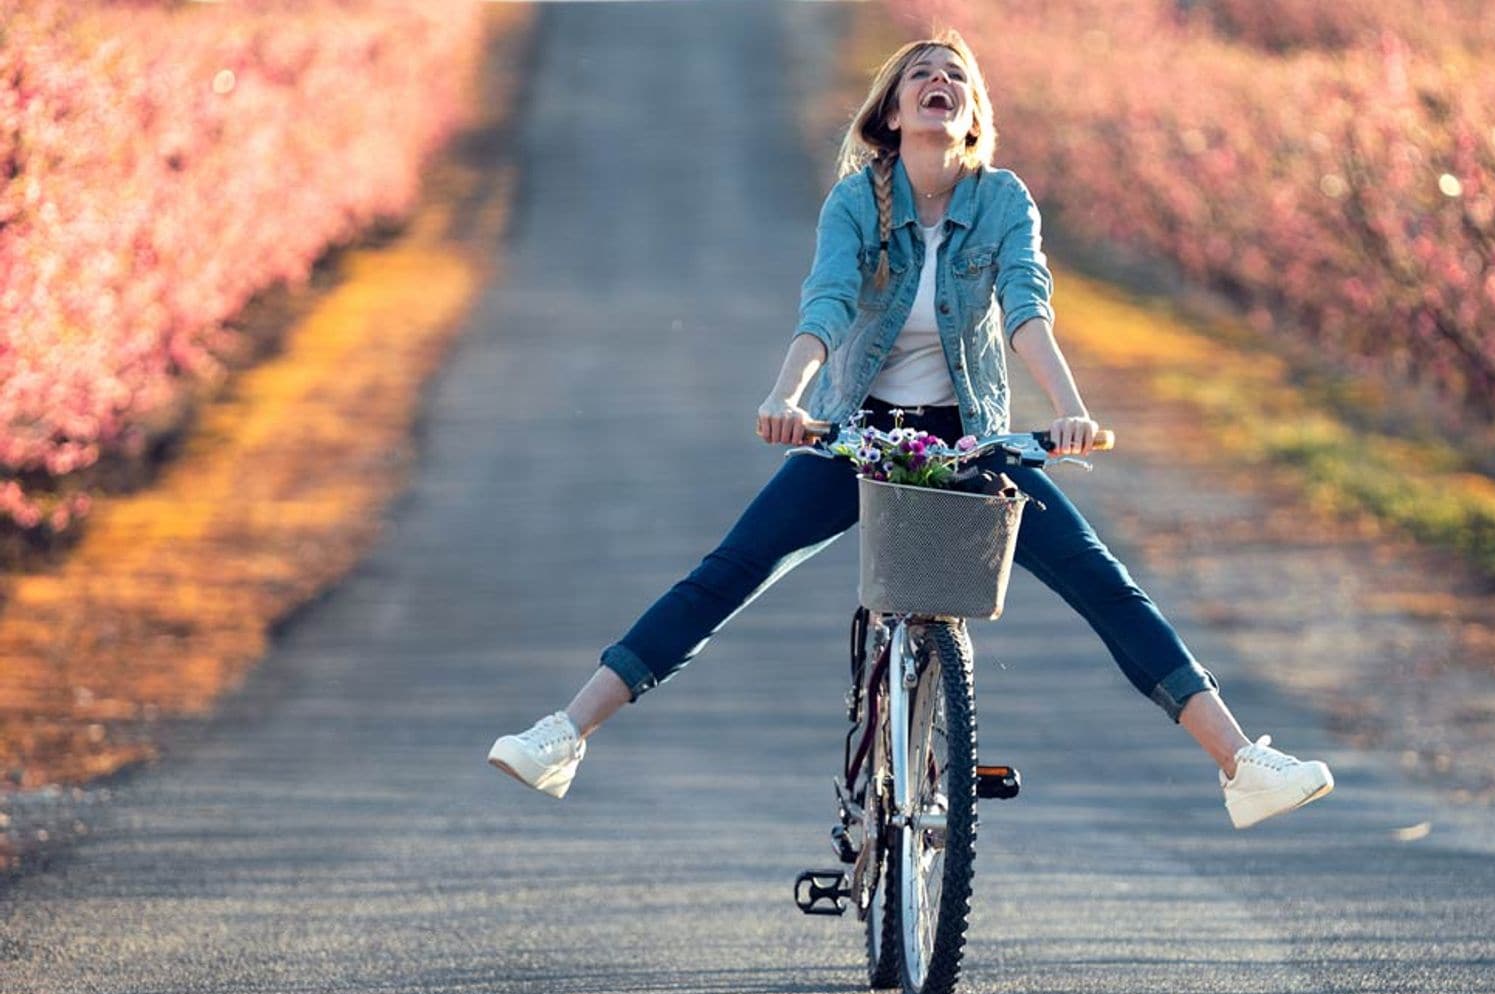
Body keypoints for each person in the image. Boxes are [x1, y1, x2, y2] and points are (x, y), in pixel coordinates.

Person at [487, 30, 1333, 828]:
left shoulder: (1003, 200)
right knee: (730, 572)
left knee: (1104, 583)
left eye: (957, 76)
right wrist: (789, 398)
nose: (941, 82)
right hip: (861, 436)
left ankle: (1241, 766)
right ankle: (566, 734)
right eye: (923, 74)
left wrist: (1070, 410)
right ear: (892, 112)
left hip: (971, 440)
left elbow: (1027, 309)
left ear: (972, 115)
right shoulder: (858, 202)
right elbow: (825, 304)